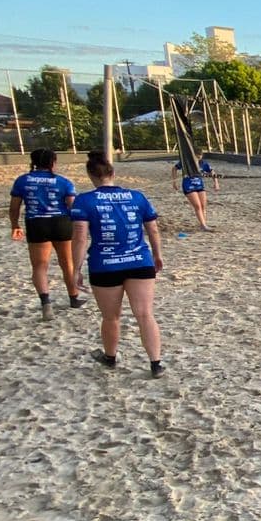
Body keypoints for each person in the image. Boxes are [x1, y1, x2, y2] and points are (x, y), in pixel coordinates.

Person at [70, 151, 166, 377]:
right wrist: (157, 254)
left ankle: (110, 357)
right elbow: (152, 229)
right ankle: (155, 363)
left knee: (111, 317)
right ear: (112, 173)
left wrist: (76, 268)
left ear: (91, 175)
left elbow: (80, 237)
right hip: (139, 261)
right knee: (145, 314)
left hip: (105, 264)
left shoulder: (84, 200)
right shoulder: (137, 196)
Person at [9, 148, 83, 319]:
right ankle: (74, 298)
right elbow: (72, 205)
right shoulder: (63, 182)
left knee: (40, 266)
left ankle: (46, 303)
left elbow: (14, 208)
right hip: (61, 222)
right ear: (53, 162)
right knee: (67, 263)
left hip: (36, 223)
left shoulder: (22, 181)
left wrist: (15, 225)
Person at [172, 154, 215, 231]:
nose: (198, 158)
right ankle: (203, 225)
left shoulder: (203, 163)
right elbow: (174, 168)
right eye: (197, 156)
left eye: (200, 156)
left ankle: (203, 224)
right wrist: (174, 182)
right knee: (197, 206)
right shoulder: (186, 163)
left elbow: (212, 171)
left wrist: (216, 183)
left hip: (199, 185)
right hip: (188, 185)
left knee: (203, 205)